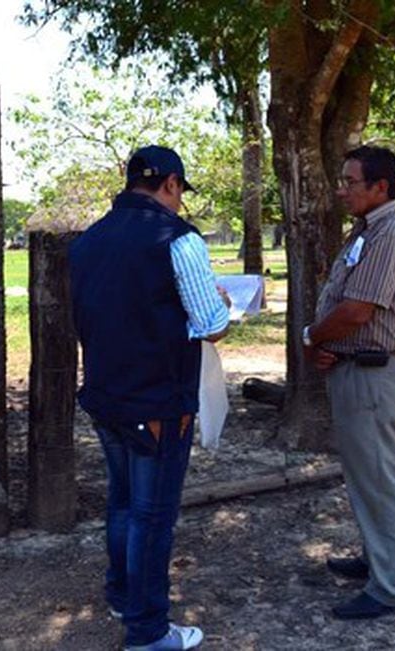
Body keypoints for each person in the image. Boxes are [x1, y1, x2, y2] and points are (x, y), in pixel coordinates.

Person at [69, 145, 231, 651]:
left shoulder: (88, 241)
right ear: (171, 185)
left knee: (121, 504)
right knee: (152, 516)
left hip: (105, 394)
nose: (180, 202)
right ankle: (148, 631)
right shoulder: (178, 240)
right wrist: (221, 302)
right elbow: (212, 324)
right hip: (158, 401)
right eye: (181, 192)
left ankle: (122, 594)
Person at [301, 145, 395, 620]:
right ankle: (376, 560)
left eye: (350, 182)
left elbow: (357, 310)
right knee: (365, 475)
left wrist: (313, 336)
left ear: (380, 188)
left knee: (377, 479)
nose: (342, 190)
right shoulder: (369, 232)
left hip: (372, 374)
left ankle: (389, 588)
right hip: (356, 369)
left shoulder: (391, 234)